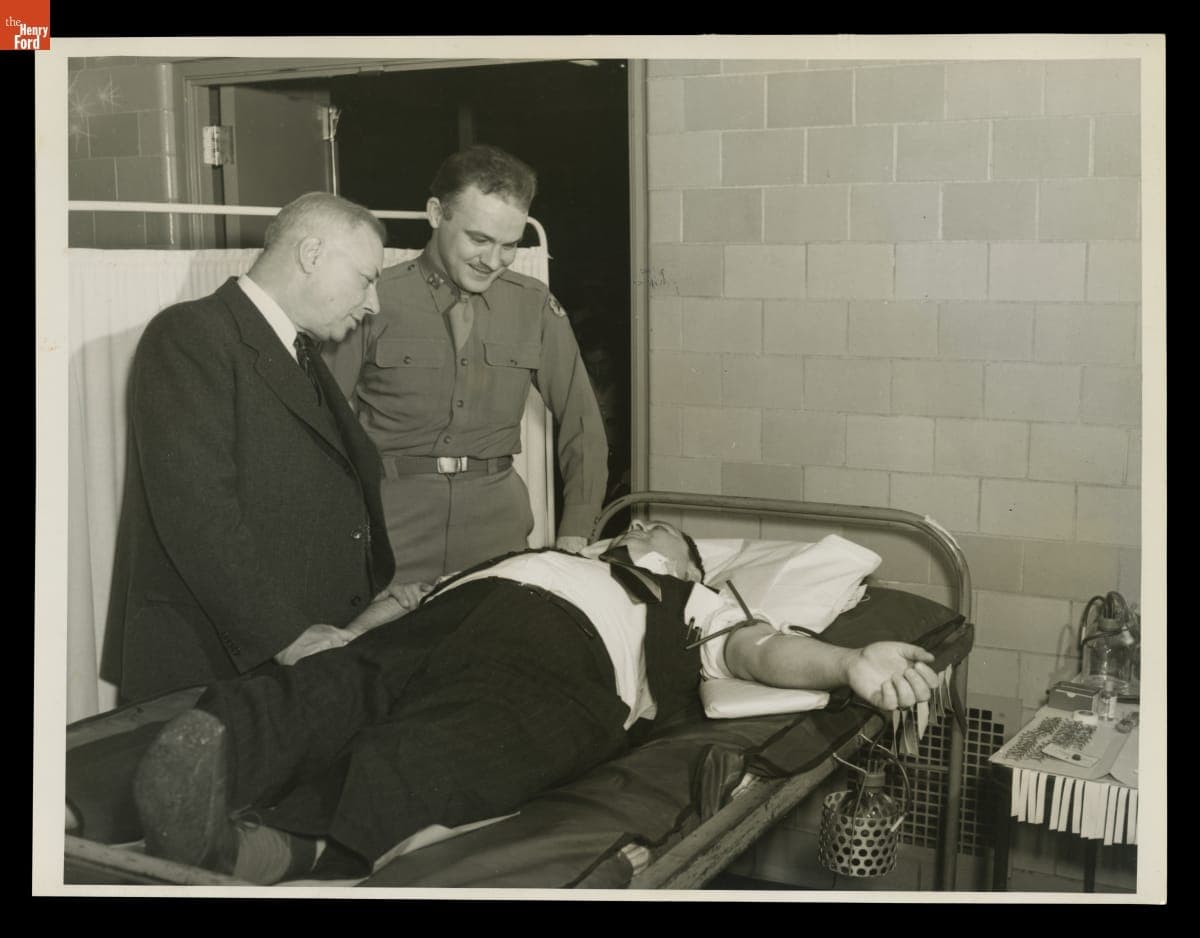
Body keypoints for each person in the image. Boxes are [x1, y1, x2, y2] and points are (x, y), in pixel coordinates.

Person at [132, 520, 941, 884]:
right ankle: (197, 769)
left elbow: (757, 650)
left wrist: (845, 661)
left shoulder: (685, 600)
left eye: (668, 537)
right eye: (641, 527)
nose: (648, 530)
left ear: (689, 569)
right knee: (325, 687)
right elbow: (408, 600)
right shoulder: (536, 551)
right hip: (444, 621)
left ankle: (272, 851)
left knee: (453, 741)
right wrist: (347, 632)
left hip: (563, 656)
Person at [102, 193, 399, 703]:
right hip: (217, 663)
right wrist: (288, 637)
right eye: (366, 278)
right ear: (311, 255)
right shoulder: (191, 334)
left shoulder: (297, 350)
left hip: (295, 657)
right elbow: (198, 516)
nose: (373, 303)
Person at [323, 145, 609, 584]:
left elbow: (583, 426)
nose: (493, 261)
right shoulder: (374, 299)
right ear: (437, 214)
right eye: (479, 239)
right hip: (388, 524)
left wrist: (576, 531)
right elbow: (318, 423)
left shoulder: (532, 305)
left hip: (498, 529)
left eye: (509, 246)